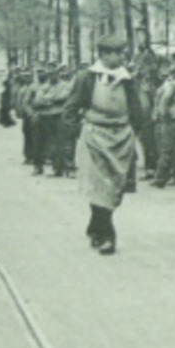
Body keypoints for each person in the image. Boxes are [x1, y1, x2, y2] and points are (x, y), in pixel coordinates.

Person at [63, 36, 147, 255]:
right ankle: (108, 235)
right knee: (100, 186)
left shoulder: (127, 79)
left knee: (116, 187)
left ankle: (95, 226)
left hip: (121, 138)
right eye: (117, 53)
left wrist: (133, 132)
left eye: (122, 52)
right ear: (104, 55)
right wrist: (76, 134)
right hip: (94, 137)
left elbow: (137, 109)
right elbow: (70, 109)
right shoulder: (86, 78)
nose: (121, 57)